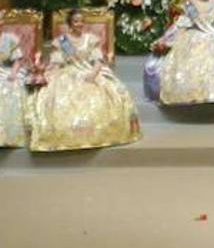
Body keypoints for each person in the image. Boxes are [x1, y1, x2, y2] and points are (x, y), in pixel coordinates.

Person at [27, 9, 141, 152]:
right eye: (76, 21)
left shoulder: (91, 39)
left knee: (109, 92)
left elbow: (98, 61)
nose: (79, 24)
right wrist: (45, 72)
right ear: (70, 23)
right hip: (68, 73)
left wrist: (93, 74)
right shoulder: (63, 41)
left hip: (89, 71)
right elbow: (56, 63)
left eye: (81, 21)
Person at [0, 30, 31, 147]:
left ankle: (10, 134)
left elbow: (17, 60)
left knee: (11, 85)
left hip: (7, 70)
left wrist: (13, 73)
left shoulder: (9, 38)